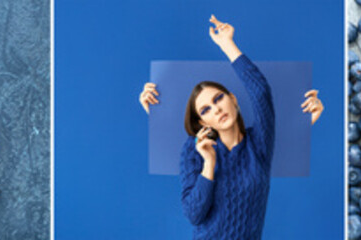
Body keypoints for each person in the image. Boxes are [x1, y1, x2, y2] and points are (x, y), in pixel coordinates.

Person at [137, 15, 324, 239]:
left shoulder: (259, 144)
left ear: (233, 100)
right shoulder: (194, 149)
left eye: (218, 99)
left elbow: (261, 92)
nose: (216, 109)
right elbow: (194, 214)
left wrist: (227, 43)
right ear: (203, 122)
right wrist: (209, 164)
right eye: (205, 110)